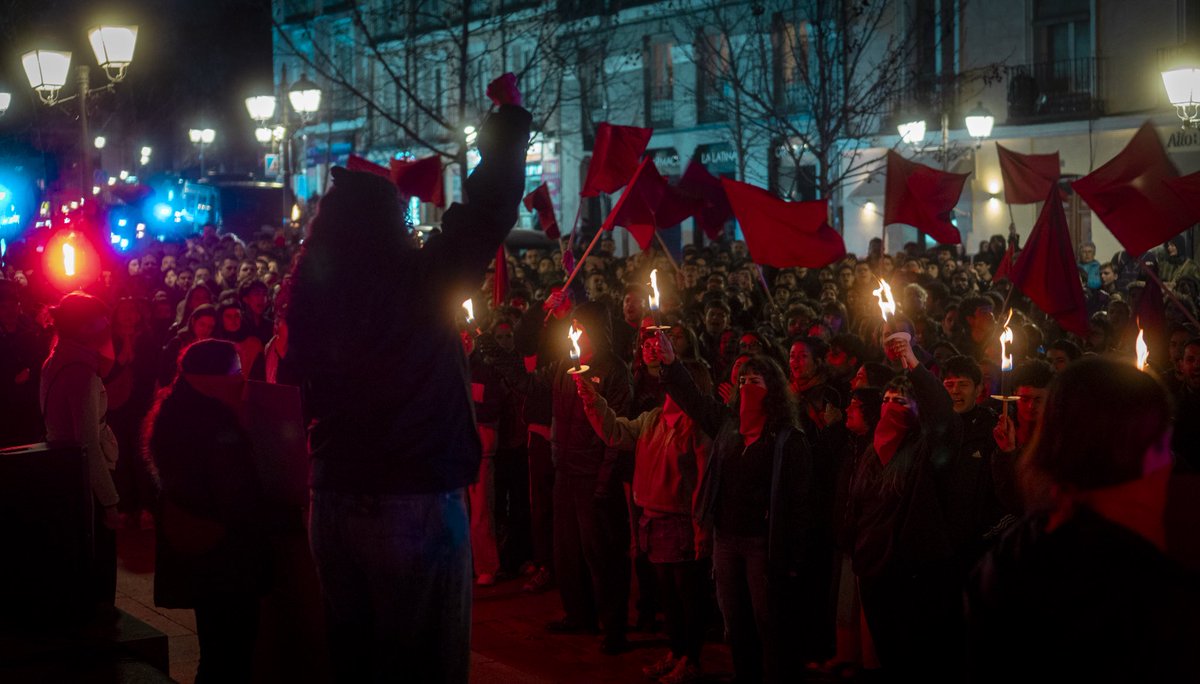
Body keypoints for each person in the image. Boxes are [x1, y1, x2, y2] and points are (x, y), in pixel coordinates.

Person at [287, 98, 531, 683]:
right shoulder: (419, 283)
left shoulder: (309, 299)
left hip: (335, 495)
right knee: (425, 661)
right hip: (413, 497)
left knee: (354, 659)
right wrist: (505, 130)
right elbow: (485, 213)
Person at [965, 358, 1200, 682]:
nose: (1167, 462)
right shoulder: (1144, 591)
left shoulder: (1014, 553)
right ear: (1134, 452)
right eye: (1161, 442)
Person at [660, 340, 832, 683]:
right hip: (727, 539)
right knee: (736, 622)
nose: (746, 387)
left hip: (762, 545)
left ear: (773, 390)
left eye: (755, 381)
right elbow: (695, 401)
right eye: (742, 381)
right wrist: (671, 362)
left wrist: (792, 559)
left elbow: (798, 504)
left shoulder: (787, 439)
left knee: (768, 622)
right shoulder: (729, 428)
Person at [574, 333, 712, 684]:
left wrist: (700, 528)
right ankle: (676, 652)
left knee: (686, 598)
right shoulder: (651, 419)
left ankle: (691, 659)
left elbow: (700, 483)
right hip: (653, 520)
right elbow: (616, 433)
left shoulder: (696, 428)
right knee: (668, 599)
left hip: (682, 523)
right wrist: (593, 400)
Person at [144, 340, 270, 683]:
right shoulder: (215, 421)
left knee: (214, 649)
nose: (242, 379)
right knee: (232, 652)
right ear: (215, 377)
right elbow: (234, 493)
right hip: (224, 554)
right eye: (237, 371)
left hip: (196, 548)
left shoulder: (174, 408)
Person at [845, 335, 962, 682]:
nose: (892, 405)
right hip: (872, 568)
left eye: (902, 401)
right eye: (887, 400)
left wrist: (911, 362)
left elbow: (943, 414)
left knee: (912, 658)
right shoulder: (871, 453)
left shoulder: (927, 453)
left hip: (909, 573)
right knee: (887, 653)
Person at [40, 292, 120, 613]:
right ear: (86, 327)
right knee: (98, 569)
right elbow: (87, 442)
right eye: (101, 320)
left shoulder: (56, 358)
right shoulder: (81, 371)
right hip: (85, 482)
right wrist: (109, 499)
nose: (107, 325)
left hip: (65, 473)